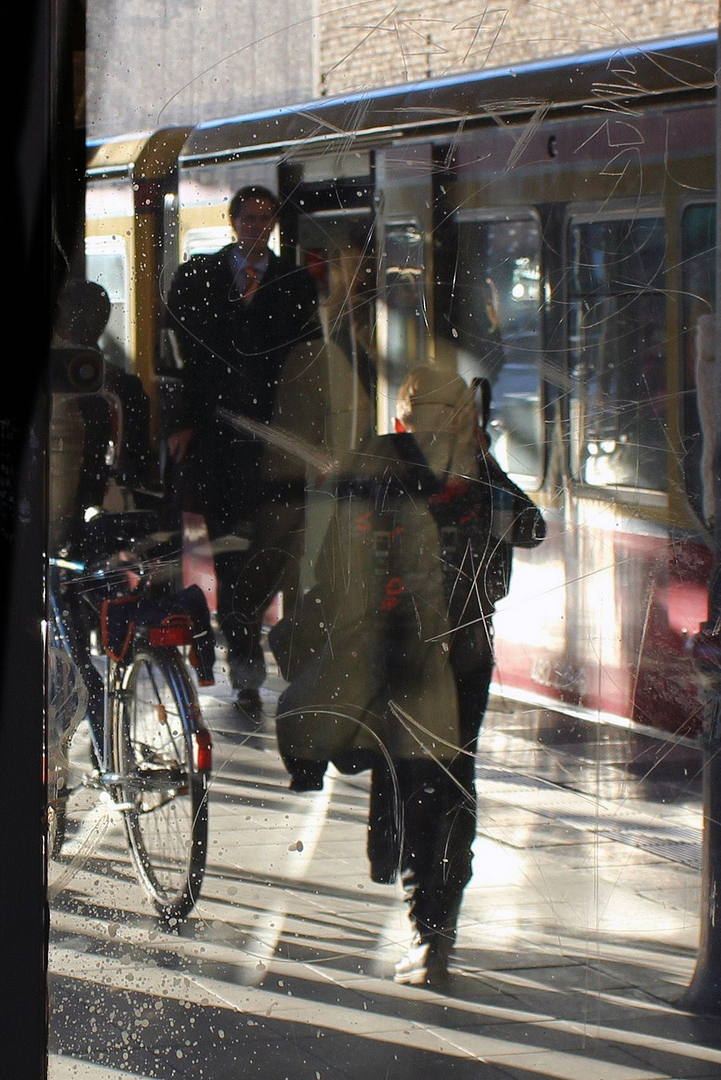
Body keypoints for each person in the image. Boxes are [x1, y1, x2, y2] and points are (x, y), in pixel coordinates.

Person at [275, 365, 543, 987]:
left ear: (401, 416)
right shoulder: (470, 476)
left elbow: (325, 561)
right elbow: (530, 528)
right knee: (444, 785)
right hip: (453, 658)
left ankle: (429, 930)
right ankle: (432, 930)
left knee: (421, 787)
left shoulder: (379, 465)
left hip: (402, 656)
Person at [164, 185, 321, 716]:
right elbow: (178, 358)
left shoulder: (296, 283)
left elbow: (308, 363)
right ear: (233, 222)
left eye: (266, 218)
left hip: (275, 441)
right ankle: (246, 661)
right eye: (249, 218)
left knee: (267, 551)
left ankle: (256, 648)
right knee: (232, 555)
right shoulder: (196, 278)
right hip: (217, 442)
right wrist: (182, 423)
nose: (257, 227)